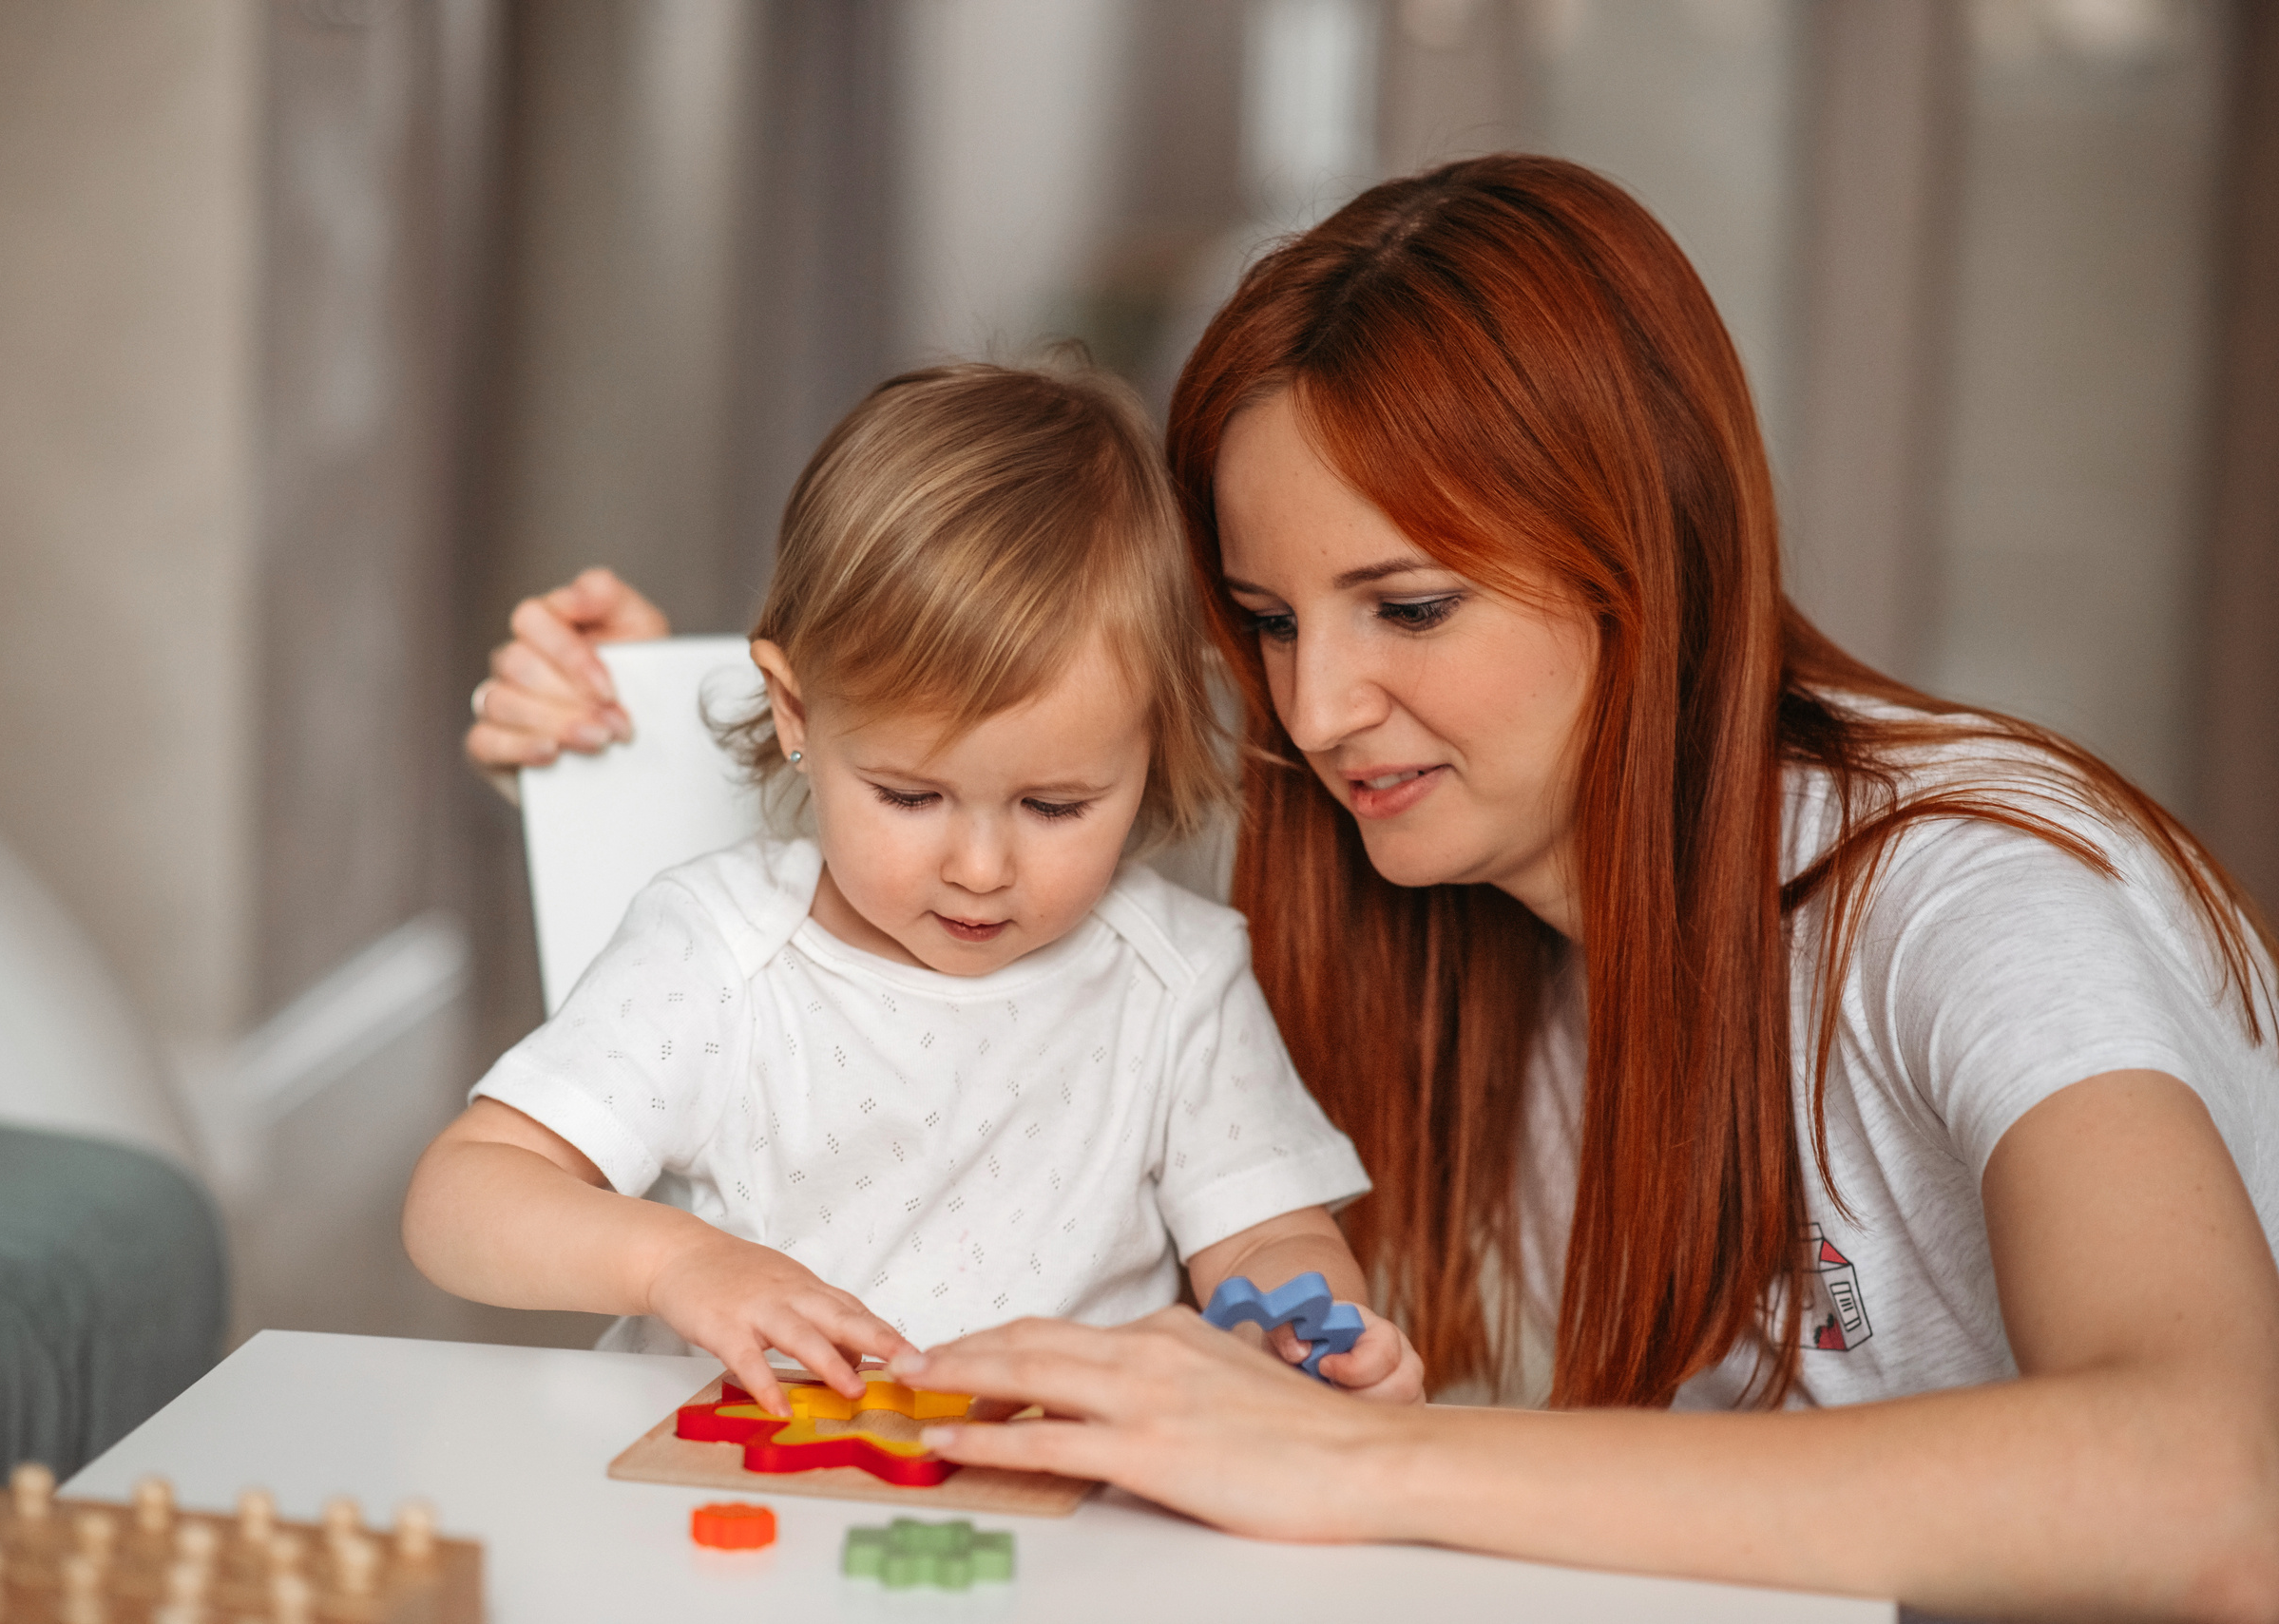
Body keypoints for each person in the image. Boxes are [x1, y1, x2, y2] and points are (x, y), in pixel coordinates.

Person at [462, 159, 2279, 1616]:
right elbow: (969, 746)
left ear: (1636, 554)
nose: (1317, 711)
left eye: (1410, 605)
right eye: (1264, 618)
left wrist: (1354, 1463)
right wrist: (638, 721)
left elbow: (2222, 1496)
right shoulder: (1435, 878)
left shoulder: (1975, 893)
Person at [409, 360, 1420, 1419]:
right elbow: (462, 1193)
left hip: (1059, 1531)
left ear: (1151, 746)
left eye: (1054, 806)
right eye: (908, 793)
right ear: (795, 709)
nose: (979, 869)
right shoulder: (717, 952)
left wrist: (1299, 1331)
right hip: (738, 1524)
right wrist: (675, 1263)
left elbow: (1263, 1232)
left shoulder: (1175, 978)